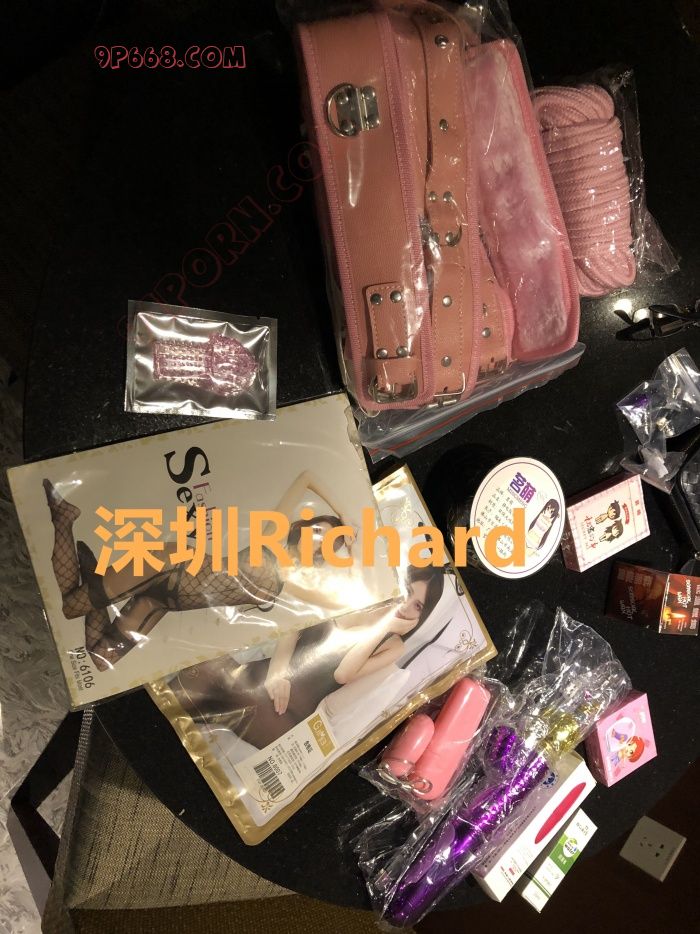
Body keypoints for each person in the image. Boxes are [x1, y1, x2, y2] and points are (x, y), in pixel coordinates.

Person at [42, 471, 360, 671]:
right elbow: (306, 477)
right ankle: (65, 521)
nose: (317, 539)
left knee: (101, 659)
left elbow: (346, 599)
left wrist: (355, 549)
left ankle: (92, 573)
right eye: (317, 530)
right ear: (303, 527)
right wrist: (344, 515)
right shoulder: (270, 538)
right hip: (169, 563)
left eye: (325, 542)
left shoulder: (293, 583)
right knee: (71, 607)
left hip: (164, 602)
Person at [169, 565, 445, 750]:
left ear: (421, 616)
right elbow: (294, 629)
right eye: (408, 592)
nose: (406, 605)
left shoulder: (393, 645)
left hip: (285, 714)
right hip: (263, 677)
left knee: (223, 693)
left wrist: (383, 626)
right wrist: (277, 674)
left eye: (417, 605)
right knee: (202, 673)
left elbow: (343, 674)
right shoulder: (356, 595)